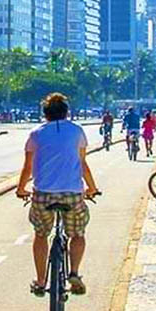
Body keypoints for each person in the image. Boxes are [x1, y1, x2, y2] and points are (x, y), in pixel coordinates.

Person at [16, 93, 99, 297]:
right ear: (66, 112)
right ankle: (74, 273)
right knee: (78, 233)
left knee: (41, 233)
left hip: (43, 193)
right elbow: (82, 164)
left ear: (45, 114)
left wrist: (20, 189)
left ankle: (41, 280)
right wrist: (92, 188)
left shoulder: (36, 133)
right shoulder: (77, 131)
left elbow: (27, 167)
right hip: (72, 192)